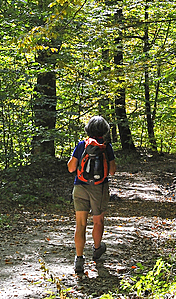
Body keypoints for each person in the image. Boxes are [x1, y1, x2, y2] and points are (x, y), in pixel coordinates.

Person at [67, 116, 116, 275]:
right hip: (99, 188)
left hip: (80, 186)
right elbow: (112, 171)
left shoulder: (81, 145)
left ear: (88, 129)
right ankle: (96, 250)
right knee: (98, 220)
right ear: (105, 131)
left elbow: (71, 168)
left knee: (80, 224)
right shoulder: (106, 147)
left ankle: (79, 259)